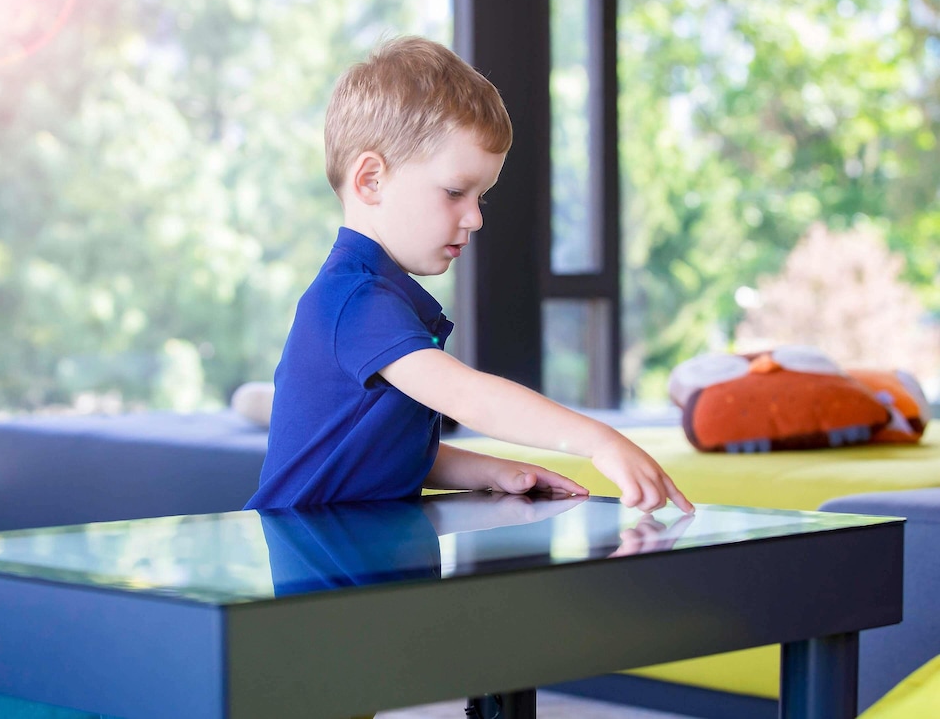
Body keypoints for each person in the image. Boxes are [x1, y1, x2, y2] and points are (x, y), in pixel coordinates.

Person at [244, 36, 693, 516]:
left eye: (481, 197)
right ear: (371, 180)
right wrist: (599, 441)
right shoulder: (355, 300)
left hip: (356, 545)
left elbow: (381, 452)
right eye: (455, 192)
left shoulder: (379, 297)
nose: (475, 218)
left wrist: (491, 471)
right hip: (311, 550)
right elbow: (467, 397)